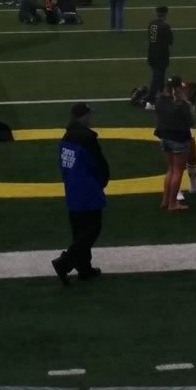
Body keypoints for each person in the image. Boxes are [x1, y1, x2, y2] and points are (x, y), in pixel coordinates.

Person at [52, 102, 109, 283]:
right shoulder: (88, 138)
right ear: (82, 116)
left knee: (79, 229)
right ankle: (65, 262)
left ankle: (84, 268)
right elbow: (98, 164)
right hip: (87, 188)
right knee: (93, 228)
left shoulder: (67, 136)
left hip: (72, 187)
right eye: (88, 115)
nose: (90, 117)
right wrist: (102, 181)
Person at [154, 76, 195, 212]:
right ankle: (172, 204)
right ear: (179, 87)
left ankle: (165, 200)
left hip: (165, 137)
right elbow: (190, 122)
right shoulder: (182, 104)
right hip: (179, 139)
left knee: (170, 169)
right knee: (178, 171)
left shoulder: (160, 99)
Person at [145, 6, 173, 104]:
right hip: (161, 54)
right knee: (156, 78)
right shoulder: (165, 26)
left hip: (151, 52)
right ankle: (150, 100)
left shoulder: (152, 23)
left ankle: (162, 94)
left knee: (160, 76)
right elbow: (170, 41)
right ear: (165, 14)